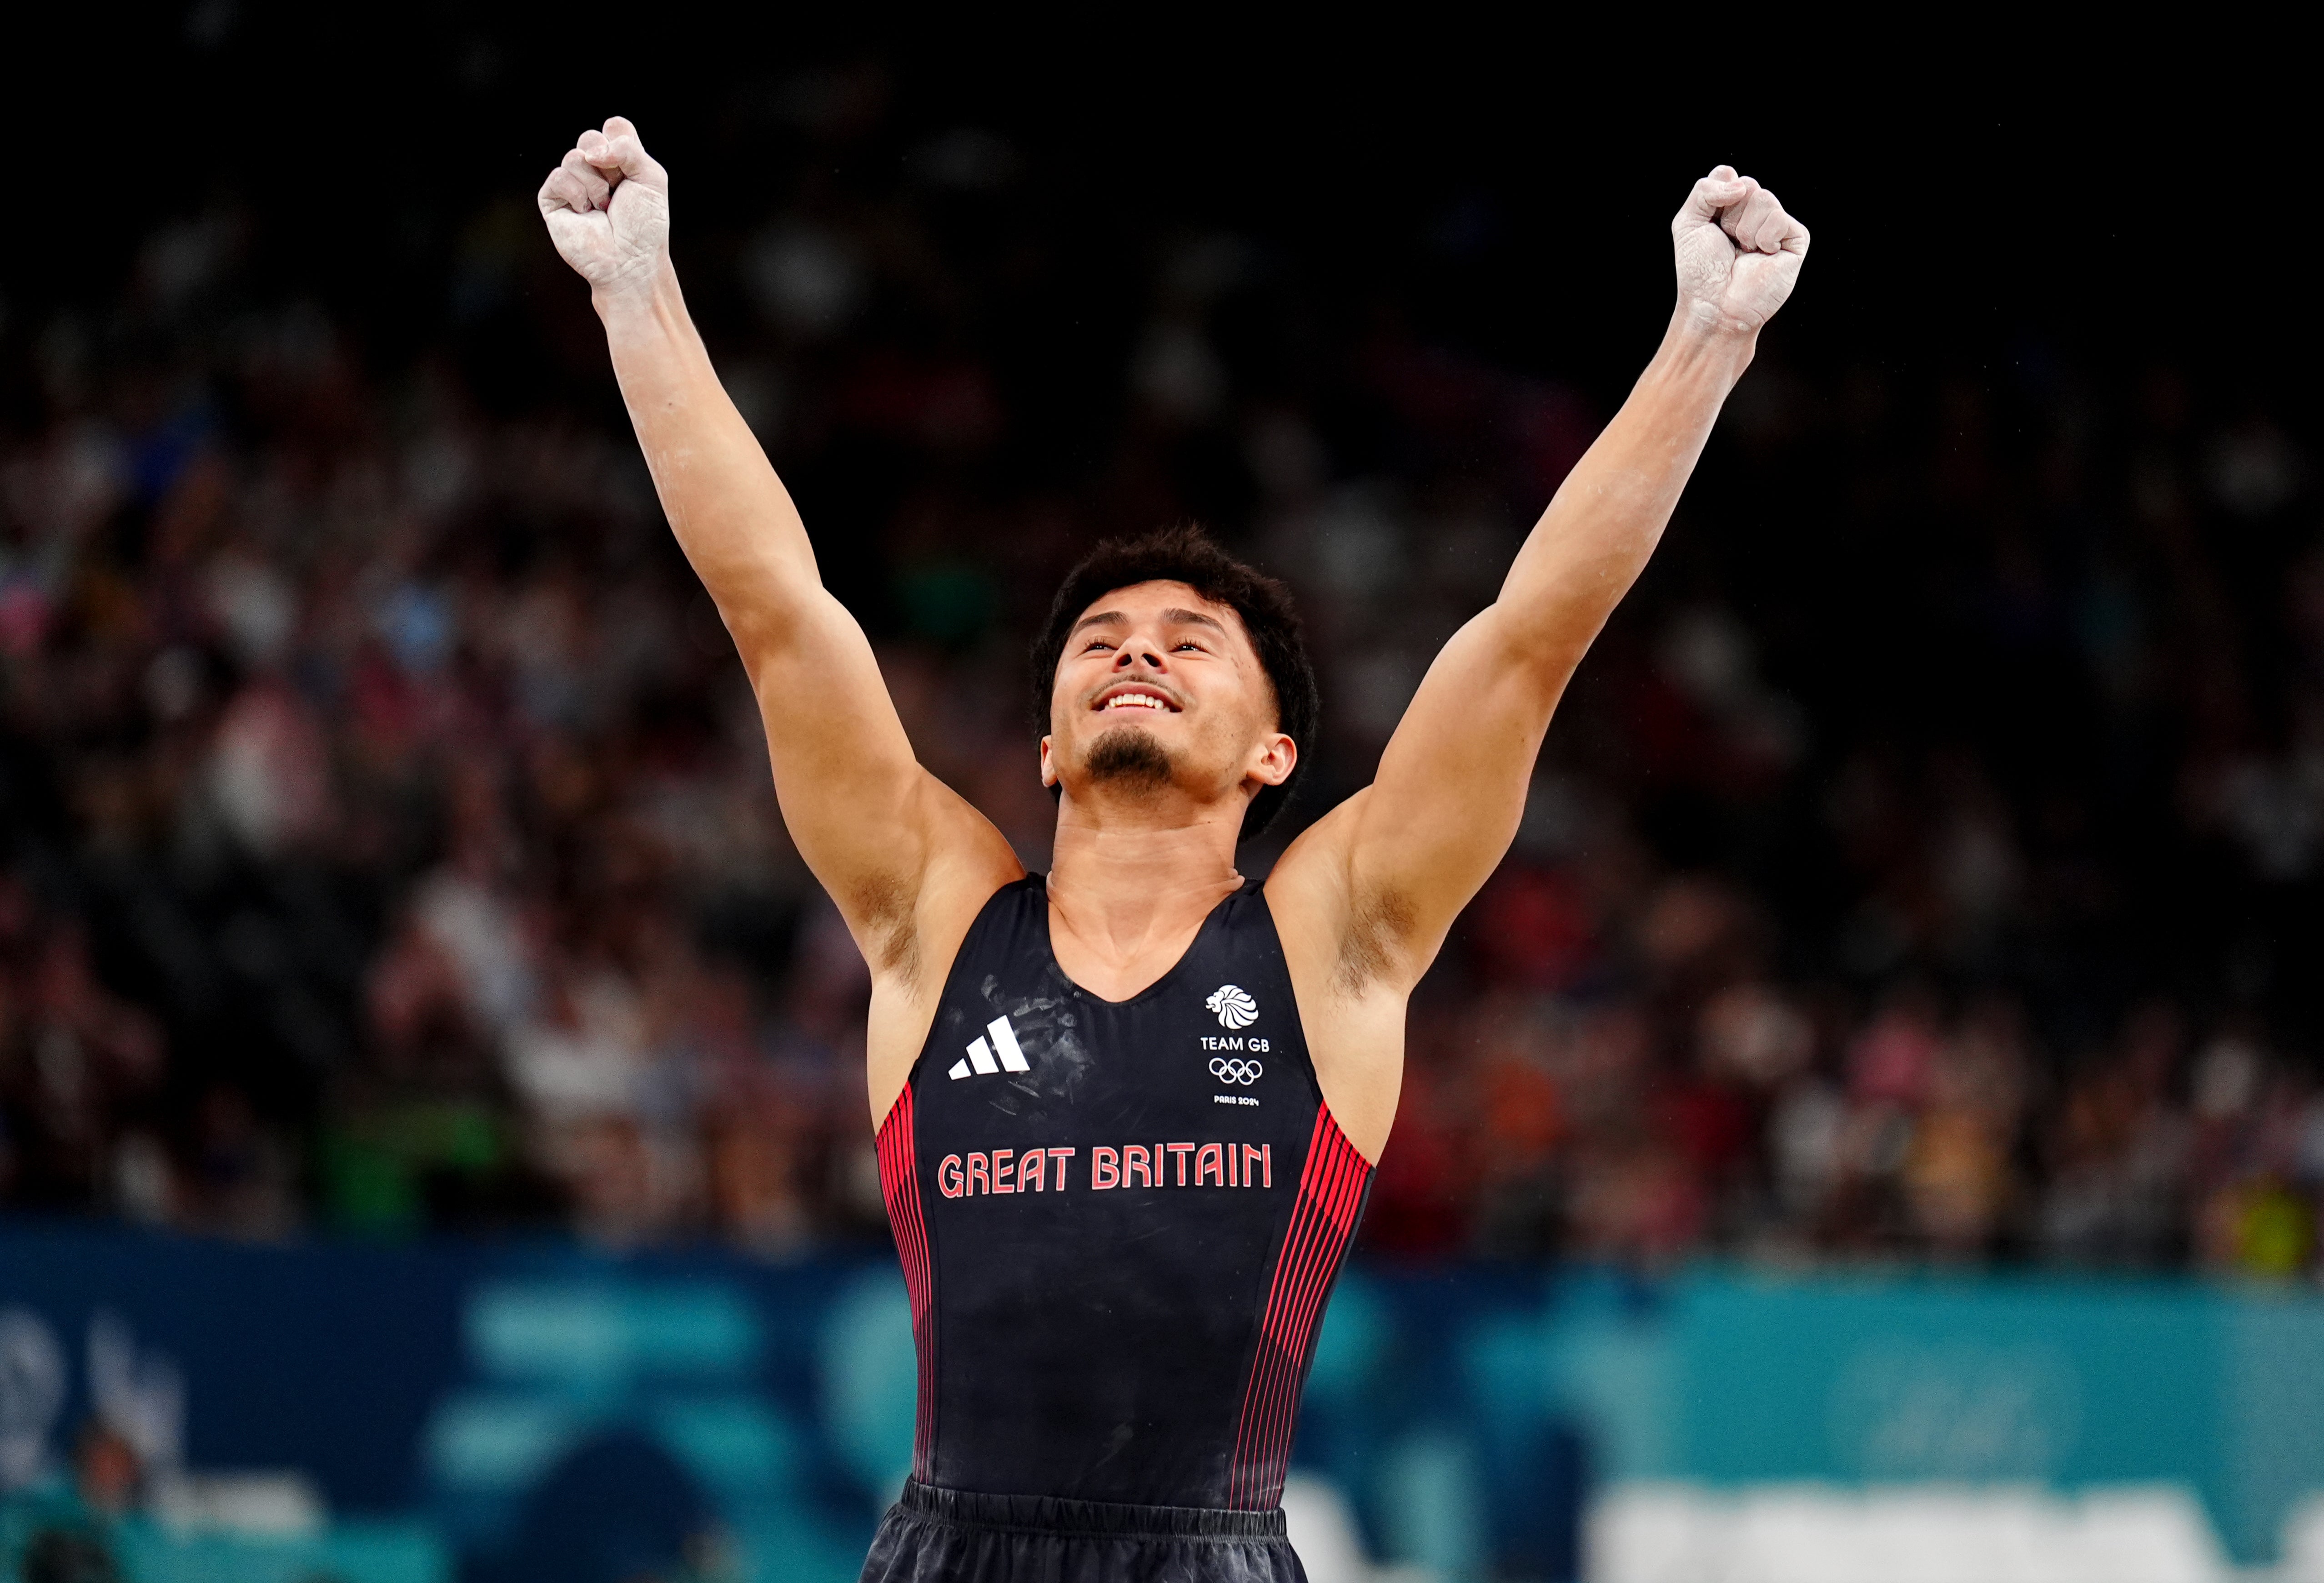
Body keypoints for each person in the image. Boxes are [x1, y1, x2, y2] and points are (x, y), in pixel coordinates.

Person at [538, 117, 1806, 1583]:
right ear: (1047, 745)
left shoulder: (1340, 934)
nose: (1136, 652)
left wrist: (1707, 338)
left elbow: (1529, 642)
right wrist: (640, 298)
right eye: (1101, 640)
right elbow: (775, 608)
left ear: (1275, 753)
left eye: (1189, 643)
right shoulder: (934, 912)